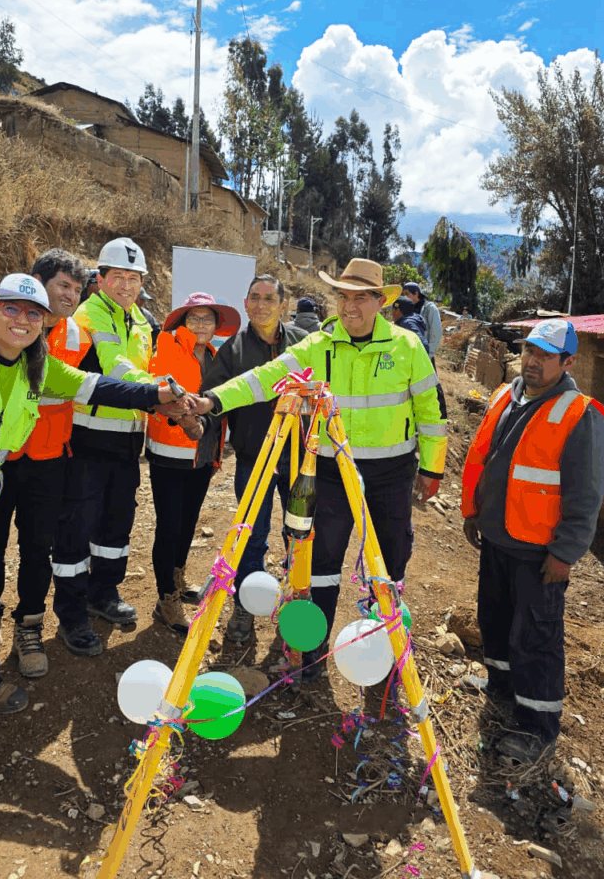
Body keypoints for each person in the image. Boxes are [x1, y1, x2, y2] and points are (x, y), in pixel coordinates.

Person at [0, 273, 186, 758]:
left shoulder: (36, 365)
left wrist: (158, 395)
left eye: (33, 314)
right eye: (11, 308)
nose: (22, 320)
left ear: (44, 322)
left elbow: (94, 386)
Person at [194, 259, 447, 673]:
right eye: (343, 297)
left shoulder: (407, 347)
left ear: (380, 303)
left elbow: (431, 413)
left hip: (390, 475)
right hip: (331, 472)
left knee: (389, 565)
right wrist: (213, 400)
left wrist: (432, 469)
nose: (350, 307)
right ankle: (313, 651)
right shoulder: (318, 346)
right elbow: (264, 378)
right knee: (321, 565)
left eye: (360, 298)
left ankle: (385, 654)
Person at [462, 319, 604, 765]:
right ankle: (502, 690)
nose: (533, 361)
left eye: (545, 355)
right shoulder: (506, 395)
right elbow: (488, 460)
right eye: (529, 351)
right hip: (498, 538)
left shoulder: (580, 414)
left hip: (539, 553)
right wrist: (474, 511)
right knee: (495, 620)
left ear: (567, 362)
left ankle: (536, 727)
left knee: (536, 639)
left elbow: (586, 495)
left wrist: (565, 553)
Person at [0, 249, 91, 678]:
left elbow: (93, 386)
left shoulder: (79, 336)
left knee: (36, 549)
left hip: (48, 459)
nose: (70, 295)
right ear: (37, 282)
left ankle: (28, 627)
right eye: (63, 285)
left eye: (77, 289)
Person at [52, 237, 155, 657]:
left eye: (134, 279)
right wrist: (160, 391)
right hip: (88, 441)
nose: (126, 286)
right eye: (119, 277)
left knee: (116, 525)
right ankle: (71, 614)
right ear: (101, 278)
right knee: (76, 529)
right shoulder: (90, 313)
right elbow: (117, 367)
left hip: (127, 442)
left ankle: (104, 593)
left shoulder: (142, 321)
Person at [200, 274, 307, 643]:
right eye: (254, 297)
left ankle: (295, 602)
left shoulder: (303, 343)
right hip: (254, 459)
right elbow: (212, 396)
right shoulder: (233, 349)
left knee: (299, 534)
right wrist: (201, 430)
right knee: (251, 535)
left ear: (283, 305)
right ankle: (245, 605)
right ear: (245, 304)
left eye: (269, 298)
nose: (261, 305)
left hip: (299, 459)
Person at [146, 293, 240, 635]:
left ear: (216, 326)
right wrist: (182, 419)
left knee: (187, 522)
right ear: (183, 322)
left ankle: (177, 578)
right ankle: (165, 599)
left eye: (207, 319)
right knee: (169, 526)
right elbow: (157, 388)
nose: (201, 325)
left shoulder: (216, 355)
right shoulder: (169, 346)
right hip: (170, 452)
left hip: (203, 453)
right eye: (194, 318)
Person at [402, 282, 446, 419]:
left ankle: (439, 414)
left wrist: (429, 354)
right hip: (410, 353)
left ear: (416, 293)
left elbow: (436, 332)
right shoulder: (409, 308)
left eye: (407, 294)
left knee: (431, 385)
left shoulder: (429, 308)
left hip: (425, 354)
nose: (405, 297)